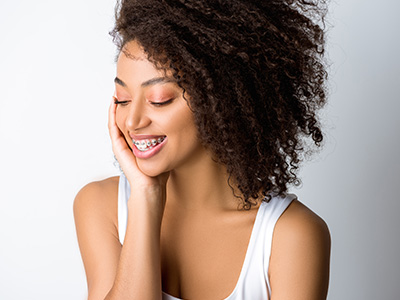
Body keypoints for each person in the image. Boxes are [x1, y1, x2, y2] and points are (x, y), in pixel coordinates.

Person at [74, 0, 331, 299]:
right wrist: (145, 198)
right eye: (122, 99)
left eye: (159, 100)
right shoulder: (100, 207)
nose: (132, 121)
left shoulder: (291, 236)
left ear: (219, 99)